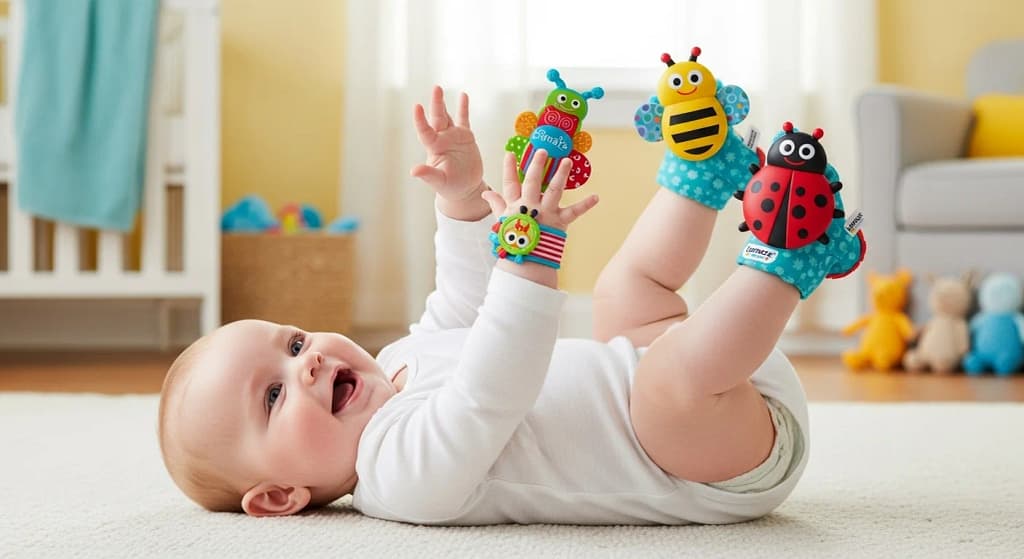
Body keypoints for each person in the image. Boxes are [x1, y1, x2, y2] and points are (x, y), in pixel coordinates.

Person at [158, 86, 864, 524]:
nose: (307, 364)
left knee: (624, 295)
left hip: (707, 369)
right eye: (274, 397)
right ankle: (788, 255)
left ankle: (702, 173)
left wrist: (462, 200)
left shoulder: (400, 360)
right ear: (280, 495)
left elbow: (464, 300)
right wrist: (530, 262)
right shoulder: (399, 476)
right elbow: (490, 392)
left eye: (291, 343)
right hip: (715, 459)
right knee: (660, 387)